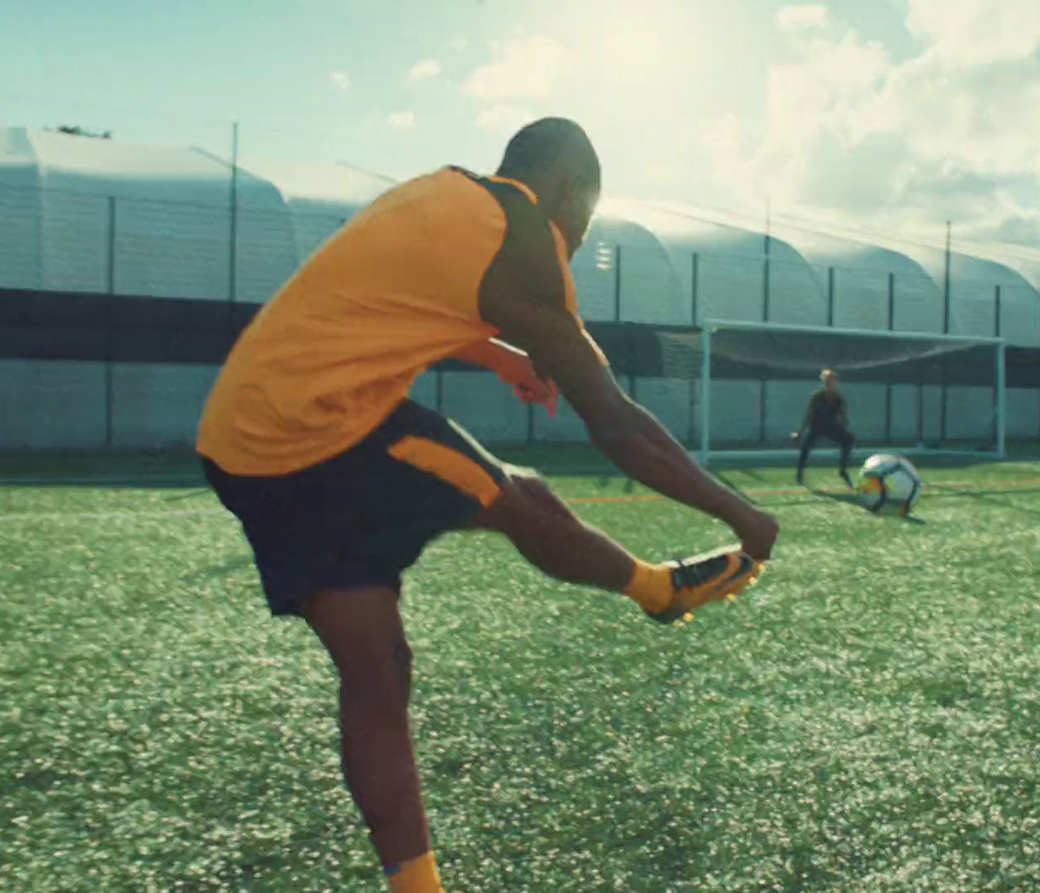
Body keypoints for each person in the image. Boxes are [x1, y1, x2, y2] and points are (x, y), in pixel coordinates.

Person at [195, 117, 778, 893]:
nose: (577, 242)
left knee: (377, 670)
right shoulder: (526, 235)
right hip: (326, 430)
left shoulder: (437, 195)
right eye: (585, 221)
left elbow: (380, 301)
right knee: (519, 499)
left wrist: (496, 352)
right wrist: (742, 514)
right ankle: (660, 590)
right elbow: (619, 426)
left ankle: (415, 887)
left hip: (238, 442)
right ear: (567, 193)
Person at [791, 369, 855, 487]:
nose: (829, 384)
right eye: (826, 382)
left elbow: (842, 416)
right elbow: (808, 415)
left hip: (831, 427)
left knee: (849, 440)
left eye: (831, 382)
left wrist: (844, 426)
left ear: (836, 383)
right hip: (817, 426)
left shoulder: (839, 398)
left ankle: (842, 470)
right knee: (805, 447)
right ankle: (800, 472)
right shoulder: (817, 396)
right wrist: (799, 433)